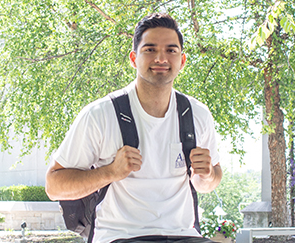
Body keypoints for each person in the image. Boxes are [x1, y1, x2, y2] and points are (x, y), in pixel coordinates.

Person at [45, 13, 223, 243]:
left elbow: (208, 181)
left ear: (182, 60)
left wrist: (207, 174)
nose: (161, 58)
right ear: (133, 58)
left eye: (171, 50)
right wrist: (109, 172)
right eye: (150, 49)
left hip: (183, 235)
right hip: (120, 236)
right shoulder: (100, 114)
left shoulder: (197, 114)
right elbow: (54, 186)